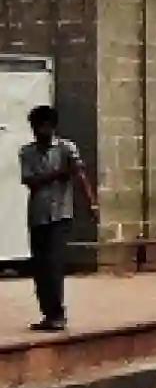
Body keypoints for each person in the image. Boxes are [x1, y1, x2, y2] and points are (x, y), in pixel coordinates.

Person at [19, 106, 97, 332]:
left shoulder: (66, 148)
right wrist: (58, 174)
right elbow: (30, 181)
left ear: (52, 127)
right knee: (40, 267)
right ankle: (47, 313)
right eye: (36, 127)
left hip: (60, 215)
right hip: (38, 215)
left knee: (53, 265)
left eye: (44, 126)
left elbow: (80, 174)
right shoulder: (27, 152)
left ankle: (58, 314)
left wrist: (91, 203)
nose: (39, 131)